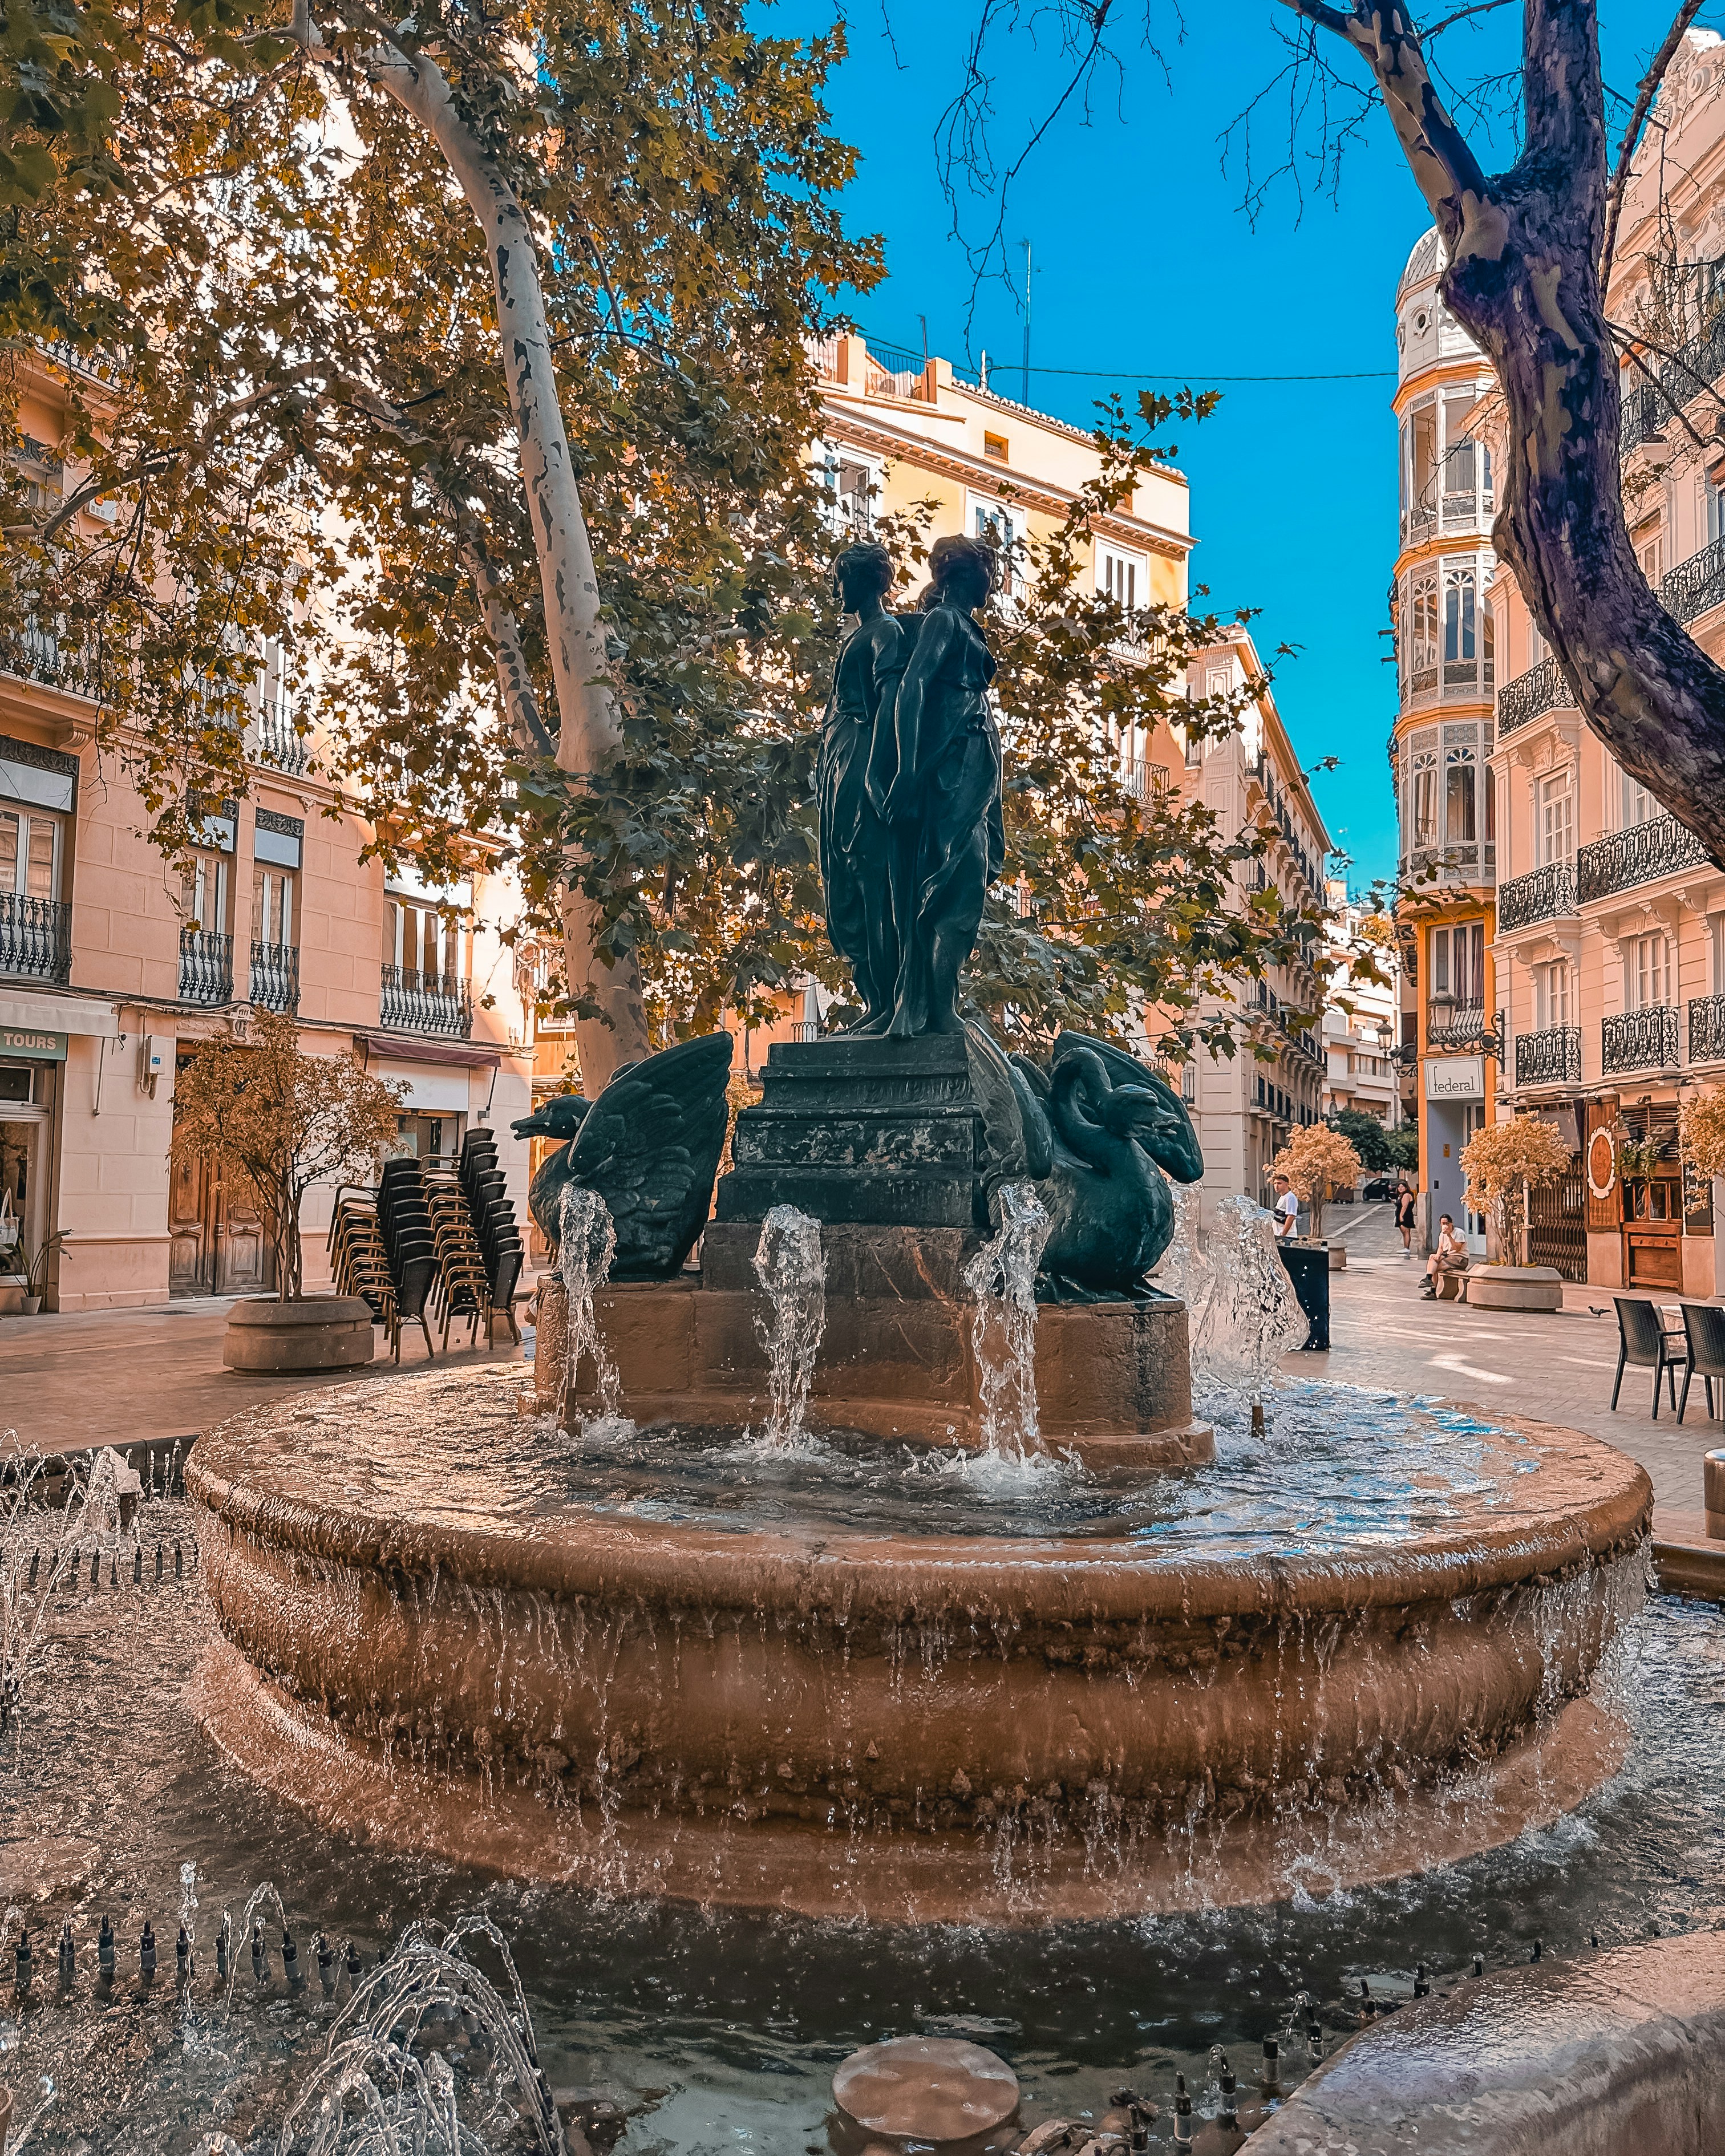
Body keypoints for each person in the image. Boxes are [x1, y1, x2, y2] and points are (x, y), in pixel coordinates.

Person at [869, 532, 1003, 1037]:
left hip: (972, 765)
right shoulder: (945, 621)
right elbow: (912, 686)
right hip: (948, 766)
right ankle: (937, 1009)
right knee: (955, 883)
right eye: (989, 569)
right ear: (966, 574)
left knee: (962, 883)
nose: (994, 579)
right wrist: (906, 772)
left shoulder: (965, 625)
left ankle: (938, 1003)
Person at [816, 541, 908, 1032]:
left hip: (859, 758)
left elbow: (892, 706)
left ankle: (886, 1003)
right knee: (842, 883)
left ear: (866, 580)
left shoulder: (886, 632)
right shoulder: (856, 636)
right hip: (837, 763)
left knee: (870, 882)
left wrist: (877, 774)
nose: (837, 587)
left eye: (842, 577)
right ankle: (873, 1000)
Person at [1422, 1213, 1469, 1299]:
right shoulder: (1442, 1234)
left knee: (1435, 1267)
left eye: (1447, 1223)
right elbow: (1441, 1248)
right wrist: (1438, 1255)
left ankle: (1432, 1290)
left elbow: (1457, 1249)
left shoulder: (1459, 1233)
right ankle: (1428, 1279)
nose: (1446, 1226)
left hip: (1460, 1258)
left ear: (1452, 1223)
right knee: (1432, 1258)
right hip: (1449, 1256)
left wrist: (1449, 1235)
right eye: (1443, 1224)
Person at [1270, 1172, 1299, 1241]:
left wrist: (1283, 1234)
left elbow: (1291, 1217)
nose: (1276, 1186)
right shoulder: (1283, 1197)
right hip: (1279, 1236)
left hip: (1287, 1237)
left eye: (1279, 1183)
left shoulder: (1290, 1197)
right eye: (1275, 1184)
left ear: (1286, 1184)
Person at [1395, 1180, 1417, 1259]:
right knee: (1405, 1233)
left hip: (1406, 1216)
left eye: (1402, 1187)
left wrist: (1401, 1216)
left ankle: (1407, 1248)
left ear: (1406, 1187)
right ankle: (1406, 1248)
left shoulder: (1406, 1195)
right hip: (1405, 1215)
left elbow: (1404, 1206)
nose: (1400, 1188)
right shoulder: (1402, 1195)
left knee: (1406, 1232)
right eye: (1399, 1187)